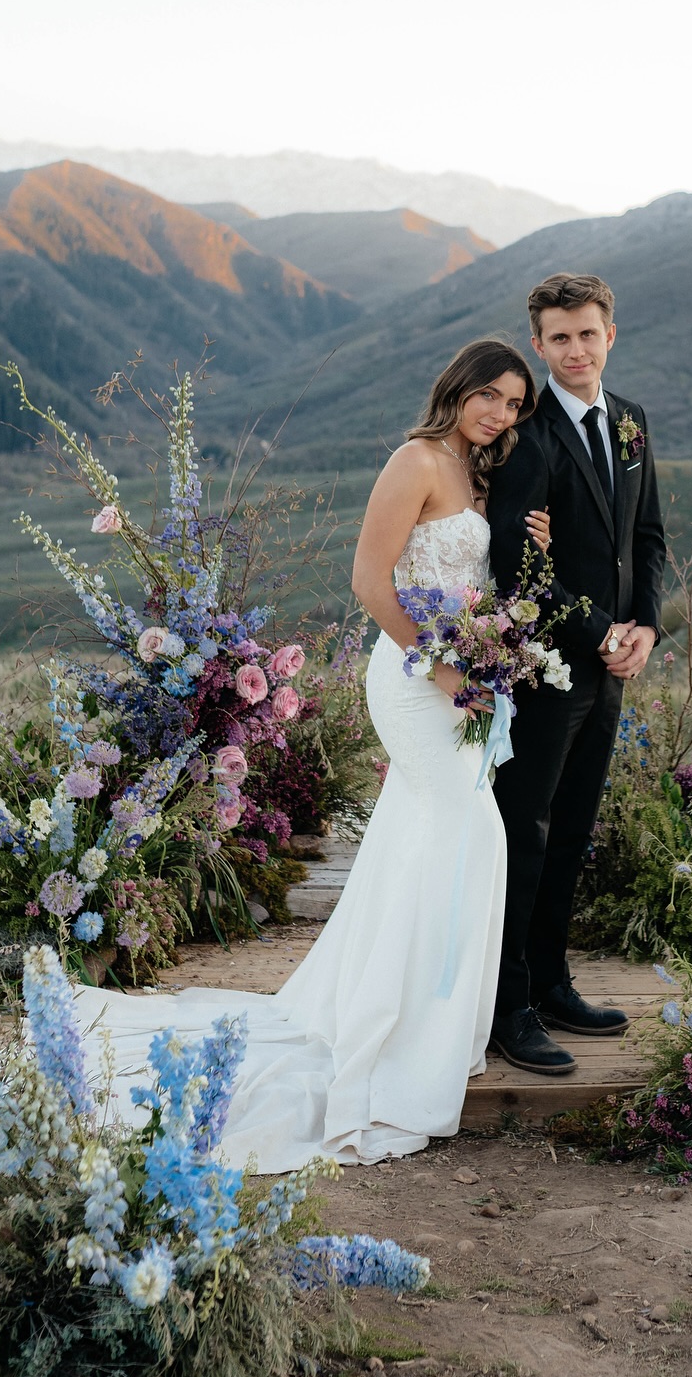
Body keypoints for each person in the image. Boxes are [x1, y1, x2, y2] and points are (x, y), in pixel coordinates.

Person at [73, 339, 550, 1172]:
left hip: (458, 676)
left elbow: (478, 579)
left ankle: (423, 1026)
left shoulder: (478, 475)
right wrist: (441, 670)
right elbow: (370, 581)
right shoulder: (418, 458)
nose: (500, 413)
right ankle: (399, 1034)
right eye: (491, 395)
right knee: (469, 833)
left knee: (443, 837)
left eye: (514, 404)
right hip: (413, 678)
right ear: (459, 387)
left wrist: (521, 577)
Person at [486, 273, 666, 1074]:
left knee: (575, 833)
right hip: (549, 665)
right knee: (526, 832)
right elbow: (516, 565)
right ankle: (508, 1006)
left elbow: (649, 537)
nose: (575, 350)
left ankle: (554, 983)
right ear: (538, 345)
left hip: (615, 664)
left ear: (610, 335)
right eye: (559, 338)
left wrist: (648, 630)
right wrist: (600, 631)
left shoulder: (630, 423)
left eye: (587, 334)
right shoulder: (527, 438)